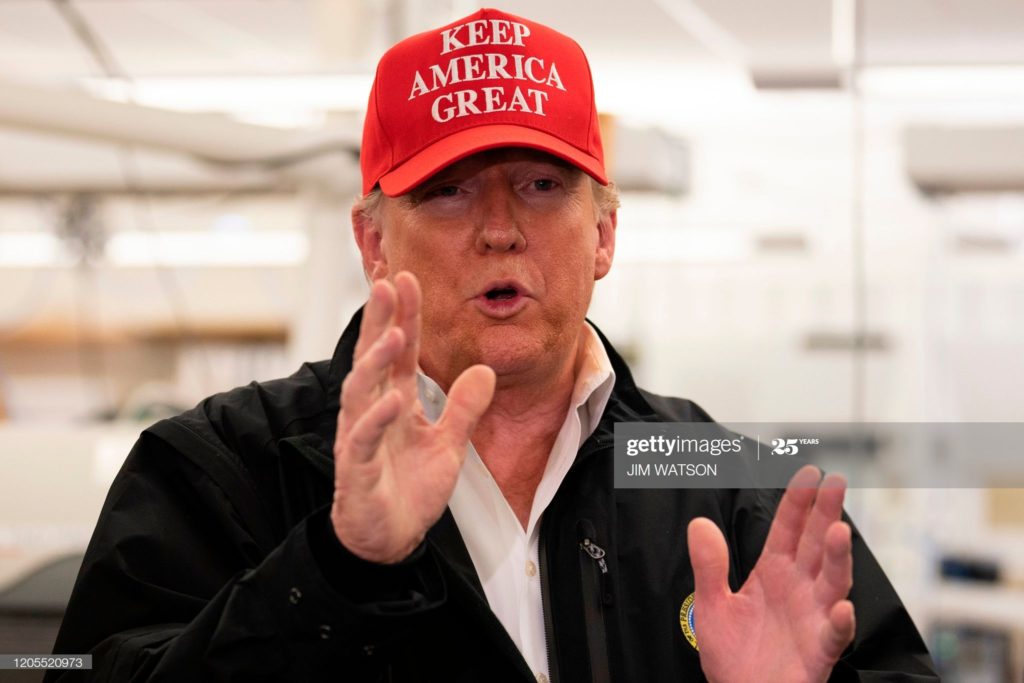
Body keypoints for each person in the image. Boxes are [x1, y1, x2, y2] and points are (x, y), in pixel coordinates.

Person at [50, 8, 938, 682]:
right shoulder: (218, 473)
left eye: (542, 184)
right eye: (446, 192)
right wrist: (329, 571)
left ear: (603, 236)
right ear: (371, 243)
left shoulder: (736, 490)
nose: (500, 228)